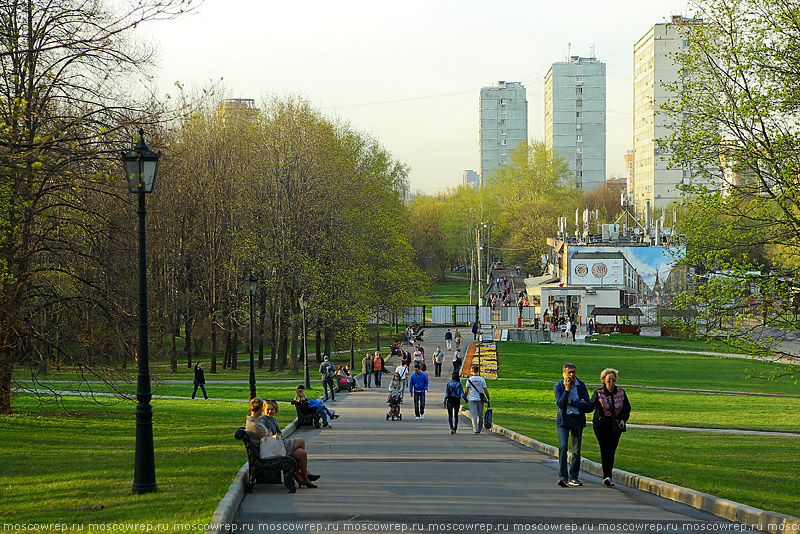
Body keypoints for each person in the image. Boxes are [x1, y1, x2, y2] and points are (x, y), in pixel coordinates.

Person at [254, 399, 321, 488]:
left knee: (301, 453)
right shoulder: (263, 420)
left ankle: (301, 477)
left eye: (272, 409)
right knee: (301, 441)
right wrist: (275, 436)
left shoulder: (273, 419)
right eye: (268, 409)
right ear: (263, 410)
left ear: (276, 410)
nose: (270, 411)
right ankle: (304, 476)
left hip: (278, 444)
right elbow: (266, 435)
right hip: (273, 448)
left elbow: (279, 434)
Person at [589, 368, 632, 487]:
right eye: (608, 380)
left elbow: (627, 409)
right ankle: (606, 475)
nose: (611, 383)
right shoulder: (599, 393)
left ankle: (609, 476)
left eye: (613, 380)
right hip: (601, 425)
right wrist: (578, 403)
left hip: (616, 425)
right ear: (603, 381)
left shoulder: (621, 392)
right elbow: (590, 406)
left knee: (611, 450)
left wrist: (623, 420)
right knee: (605, 448)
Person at [554, 363, 592, 487]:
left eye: (573, 372)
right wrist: (566, 390)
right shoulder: (559, 386)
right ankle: (563, 477)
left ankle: (574, 477)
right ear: (563, 374)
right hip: (564, 420)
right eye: (569, 372)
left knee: (576, 450)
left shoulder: (581, 386)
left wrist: (572, 402)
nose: (571, 375)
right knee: (563, 446)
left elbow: (587, 406)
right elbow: (560, 404)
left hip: (577, 420)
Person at [465, 364, 490, 434]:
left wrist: (465, 398)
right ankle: (479, 429)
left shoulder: (469, 380)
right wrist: (488, 398)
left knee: (473, 415)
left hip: (472, 399)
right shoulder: (481, 379)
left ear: (472, 371)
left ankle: (475, 429)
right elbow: (485, 390)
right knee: (480, 415)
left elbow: (466, 390)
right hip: (480, 399)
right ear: (478, 371)